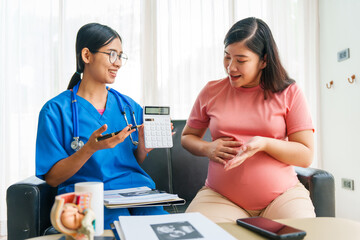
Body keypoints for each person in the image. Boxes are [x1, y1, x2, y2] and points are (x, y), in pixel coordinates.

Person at [181, 17, 316, 223]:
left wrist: (265, 143)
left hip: (282, 196)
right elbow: (188, 137)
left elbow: (305, 155)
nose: (231, 67)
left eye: (241, 60)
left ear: (264, 60)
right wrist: (208, 148)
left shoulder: (290, 92)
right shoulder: (211, 91)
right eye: (227, 57)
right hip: (221, 197)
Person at [35, 23, 168, 229]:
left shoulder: (128, 107)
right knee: (115, 229)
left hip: (134, 191)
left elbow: (131, 160)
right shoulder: (55, 111)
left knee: (161, 228)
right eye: (112, 54)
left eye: (121, 56)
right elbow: (52, 179)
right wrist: (89, 149)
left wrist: (142, 148)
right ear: (87, 55)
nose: (118, 64)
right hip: (85, 196)